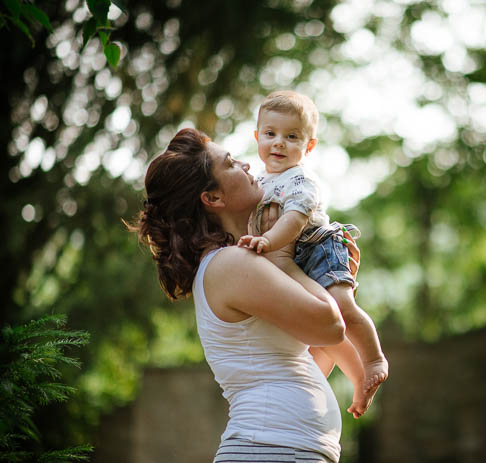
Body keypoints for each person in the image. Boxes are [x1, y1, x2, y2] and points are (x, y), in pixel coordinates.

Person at [129, 128, 366, 463]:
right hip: (269, 449)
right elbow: (331, 326)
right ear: (212, 198)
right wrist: (288, 260)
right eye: (230, 164)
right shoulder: (232, 264)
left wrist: (334, 282)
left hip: (283, 449)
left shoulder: (240, 262)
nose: (246, 165)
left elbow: (307, 359)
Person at [238, 90, 389, 403]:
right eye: (270, 133)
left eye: (291, 136)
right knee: (315, 334)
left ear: (308, 146)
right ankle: (317, 388)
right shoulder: (260, 180)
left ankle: (373, 359)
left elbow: (293, 219)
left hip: (320, 247)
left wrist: (266, 241)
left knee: (342, 308)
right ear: (257, 137)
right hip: (291, 253)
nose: (279, 142)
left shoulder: (301, 179)